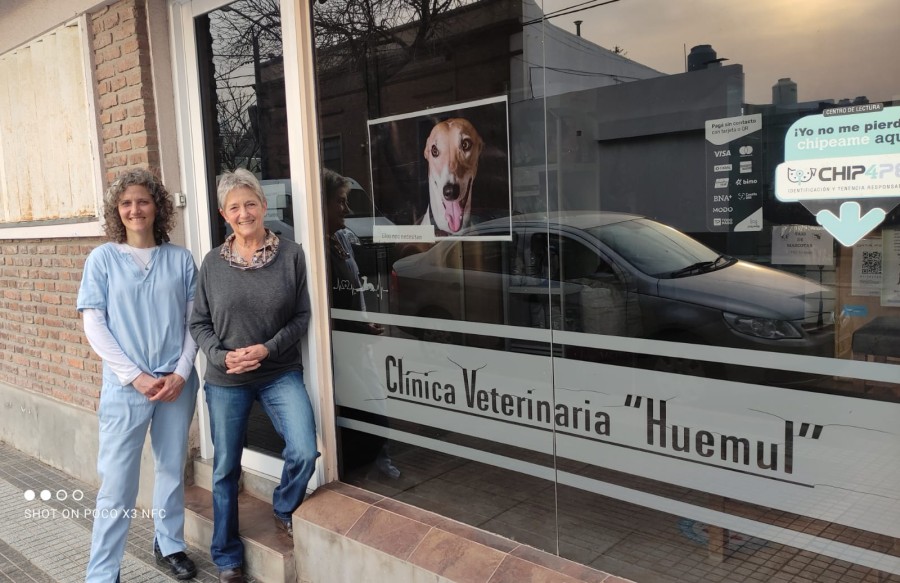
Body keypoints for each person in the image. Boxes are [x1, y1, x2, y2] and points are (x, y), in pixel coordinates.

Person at [190, 168, 319, 583]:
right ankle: (227, 556)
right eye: (234, 207)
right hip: (227, 378)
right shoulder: (211, 263)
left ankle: (284, 507)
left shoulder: (292, 255)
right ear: (223, 214)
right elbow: (199, 323)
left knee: (303, 450)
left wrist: (268, 348)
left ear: (264, 206)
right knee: (226, 467)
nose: (244, 212)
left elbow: (302, 317)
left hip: (278, 371)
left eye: (250, 203)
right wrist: (222, 356)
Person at [77, 169, 199, 582]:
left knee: (170, 468)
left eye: (143, 201)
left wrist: (181, 373)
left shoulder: (180, 259)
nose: (135, 209)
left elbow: (193, 323)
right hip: (127, 388)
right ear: (117, 210)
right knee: (117, 484)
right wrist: (135, 377)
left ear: (157, 206)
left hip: (175, 386)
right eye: (126, 203)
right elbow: (95, 324)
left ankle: (170, 544)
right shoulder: (103, 259)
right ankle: (102, 573)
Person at [323, 169, 399, 479]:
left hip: (356, 342)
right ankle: (355, 472)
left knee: (375, 401)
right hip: (338, 350)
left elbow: (356, 283)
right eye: (340, 202)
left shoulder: (342, 238)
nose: (347, 209)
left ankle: (376, 462)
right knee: (369, 412)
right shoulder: (314, 248)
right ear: (322, 202)